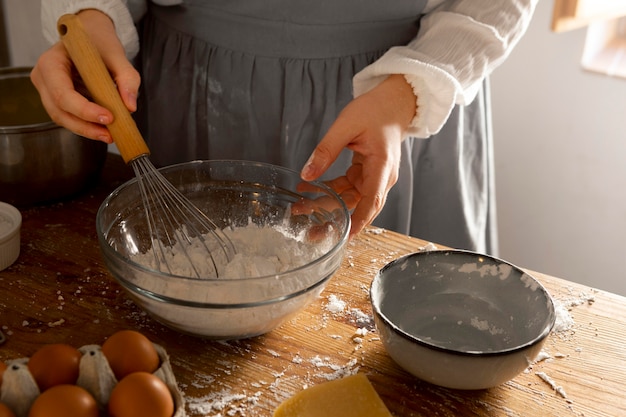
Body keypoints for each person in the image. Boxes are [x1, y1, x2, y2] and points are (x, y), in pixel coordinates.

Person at [32, 0, 537, 254]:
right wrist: (90, 14)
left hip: (398, 98)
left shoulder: (407, 91)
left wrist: (409, 90)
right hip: (189, 89)